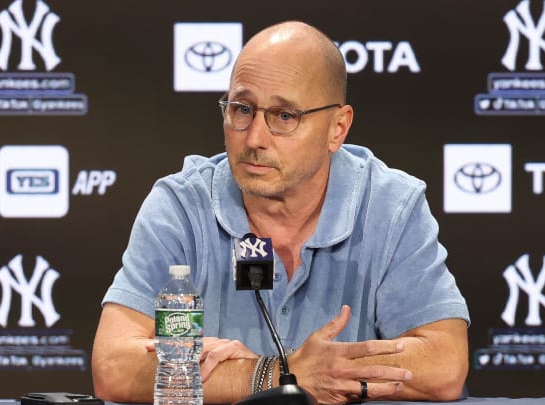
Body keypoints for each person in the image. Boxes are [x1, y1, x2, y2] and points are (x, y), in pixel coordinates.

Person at [92, 20, 470, 405]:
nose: (254, 138)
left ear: (337, 128)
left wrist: (304, 373)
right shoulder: (182, 205)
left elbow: (444, 364)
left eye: (284, 117)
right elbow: (114, 366)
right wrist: (275, 374)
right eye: (242, 109)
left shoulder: (390, 205)